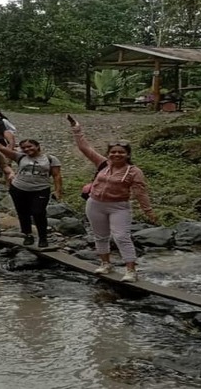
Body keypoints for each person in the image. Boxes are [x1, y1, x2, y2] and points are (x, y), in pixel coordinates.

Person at [68, 114, 157, 283]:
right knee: (100, 236)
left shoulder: (133, 171)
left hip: (119, 206)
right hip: (95, 204)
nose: (117, 155)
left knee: (121, 236)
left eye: (121, 152)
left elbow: (140, 192)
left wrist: (148, 210)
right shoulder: (102, 163)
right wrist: (76, 129)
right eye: (113, 152)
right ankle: (105, 263)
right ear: (108, 154)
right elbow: (84, 148)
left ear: (127, 154)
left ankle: (131, 270)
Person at [0, 134, 63, 247]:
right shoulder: (20, 157)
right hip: (19, 188)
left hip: (40, 189)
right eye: (24, 148)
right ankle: (28, 235)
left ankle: (43, 237)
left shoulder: (50, 159)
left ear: (37, 146)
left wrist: (58, 190)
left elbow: (57, 175)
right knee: (23, 213)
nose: (27, 149)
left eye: (30, 146)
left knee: (38, 212)